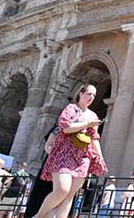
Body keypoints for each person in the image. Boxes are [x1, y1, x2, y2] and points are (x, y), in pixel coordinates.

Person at [35, 84, 107, 218]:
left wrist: (100, 157)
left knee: (70, 195)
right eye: (89, 94)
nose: (91, 97)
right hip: (64, 154)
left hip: (83, 157)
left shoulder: (93, 115)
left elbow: (94, 138)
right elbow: (66, 127)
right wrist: (87, 124)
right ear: (81, 93)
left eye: (94, 95)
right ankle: (39, 216)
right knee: (62, 189)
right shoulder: (71, 108)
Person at [24, 128, 58, 218]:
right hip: (54, 163)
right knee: (45, 190)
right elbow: (48, 145)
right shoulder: (60, 127)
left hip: (69, 167)